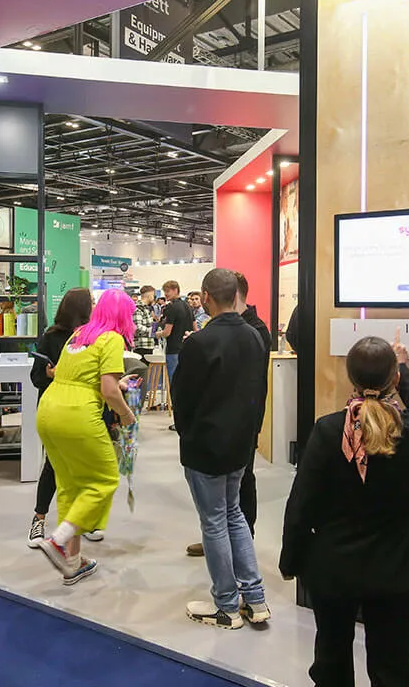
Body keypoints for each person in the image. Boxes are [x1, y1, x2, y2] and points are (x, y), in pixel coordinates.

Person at [280, 334, 409, 685]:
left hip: (335, 566)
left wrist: (290, 560)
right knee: (393, 667)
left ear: (351, 379)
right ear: (394, 379)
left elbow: (302, 503)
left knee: (331, 661)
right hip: (398, 569)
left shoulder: (328, 430)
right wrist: (404, 369)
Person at [172, 269, 269, 629]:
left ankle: (226, 606)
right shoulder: (255, 336)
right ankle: (255, 598)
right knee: (234, 515)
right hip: (239, 444)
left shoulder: (200, 342)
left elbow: (182, 398)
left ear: (206, 297)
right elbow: (258, 391)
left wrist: (187, 434)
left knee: (214, 521)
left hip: (206, 445)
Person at [36, 289, 135, 585]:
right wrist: (126, 414)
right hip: (78, 415)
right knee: (104, 479)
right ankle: (58, 541)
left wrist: (117, 385)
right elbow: (107, 391)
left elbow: (75, 374)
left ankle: (72, 561)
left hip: (49, 412)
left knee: (70, 485)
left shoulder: (78, 335)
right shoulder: (112, 339)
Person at [186, 272, 271, 558]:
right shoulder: (235, 332)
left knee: (240, 489)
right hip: (223, 425)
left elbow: (252, 384)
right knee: (222, 504)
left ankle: (237, 544)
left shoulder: (255, 331)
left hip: (240, 424)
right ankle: (222, 541)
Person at [26, 288, 94, 548]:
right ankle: (39, 518)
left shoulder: (93, 337)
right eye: (91, 303)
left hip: (83, 410)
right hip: (55, 410)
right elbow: (36, 377)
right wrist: (50, 374)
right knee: (53, 465)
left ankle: (81, 520)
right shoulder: (51, 337)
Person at [132, 285, 156, 360]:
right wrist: (152, 331)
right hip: (142, 346)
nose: (153, 298)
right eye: (153, 295)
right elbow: (137, 328)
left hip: (147, 345)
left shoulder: (146, 309)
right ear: (149, 295)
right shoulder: (138, 308)